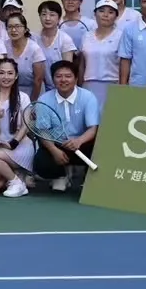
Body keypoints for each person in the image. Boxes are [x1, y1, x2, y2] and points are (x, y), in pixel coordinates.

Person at [32, 61, 100, 192]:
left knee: (99, 150)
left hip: (82, 143)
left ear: (76, 78)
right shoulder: (44, 100)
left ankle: (88, 178)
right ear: (53, 79)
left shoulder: (88, 97)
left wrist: (79, 141)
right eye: (58, 76)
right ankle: (61, 175)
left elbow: (93, 128)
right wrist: (54, 150)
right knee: (41, 163)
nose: (63, 80)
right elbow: (43, 131)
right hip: (57, 144)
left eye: (68, 76)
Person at [0, 58, 33, 197]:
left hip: (20, 147)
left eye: (10, 73)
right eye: (2, 73)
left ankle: (16, 183)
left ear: (16, 76)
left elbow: (27, 125)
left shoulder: (23, 97)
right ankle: (16, 176)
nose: (6, 77)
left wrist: (13, 143)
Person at [79, 0, 124, 108]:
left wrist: (122, 87)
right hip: (88, 85)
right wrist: (79, 86)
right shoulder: (86, 36)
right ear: (95, 14)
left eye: (110, 12)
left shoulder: (121, 36)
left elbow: (124, 64)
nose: (105, 15)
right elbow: (82, 64)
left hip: (113, 84)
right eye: (101, 11)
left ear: (116, 16)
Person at [2, 13, 48, 103]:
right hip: (12, 92)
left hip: (34, 92)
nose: (13, 30)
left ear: (25, 29)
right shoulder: (3, 46)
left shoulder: (34, 49)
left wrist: (32, 102)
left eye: (17, 26)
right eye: (10, 27)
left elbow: (38, 80)